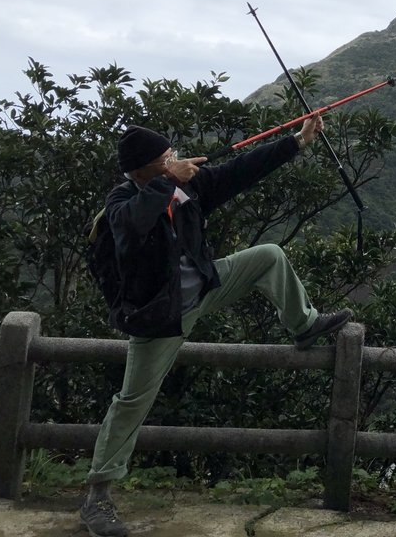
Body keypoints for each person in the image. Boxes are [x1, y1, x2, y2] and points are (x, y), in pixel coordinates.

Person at [80, 117, 352, 537]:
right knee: (131, 401)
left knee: (269, 255)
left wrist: (296, 143)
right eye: (164, 158)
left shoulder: (185, 186)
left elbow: (238, 172)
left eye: (171, 154)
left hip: (205, 288)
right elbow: (130, 227)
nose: (173, 160)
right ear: (139, 172)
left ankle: (304, 323)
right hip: (161, 316)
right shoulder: (121, 204)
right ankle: (98, 496)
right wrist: (166, 182)